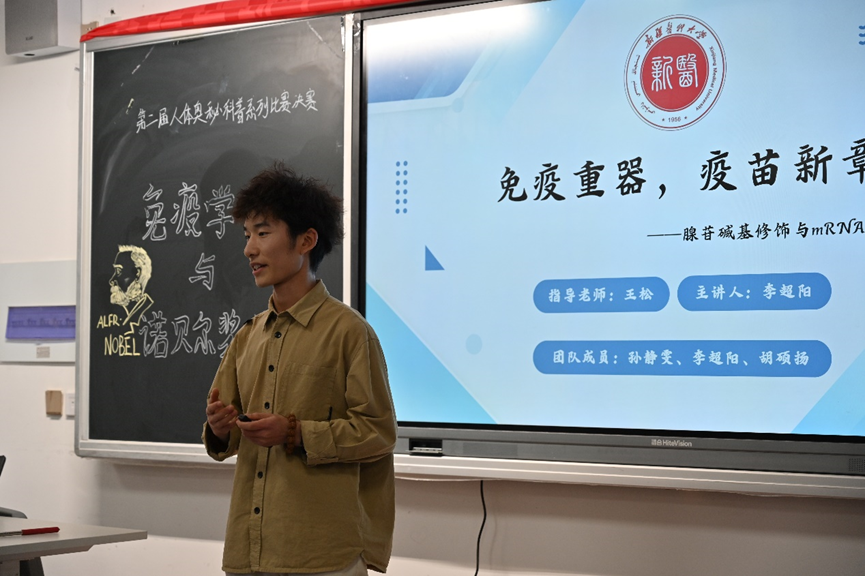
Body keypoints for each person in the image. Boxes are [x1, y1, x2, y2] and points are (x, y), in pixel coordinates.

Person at [203, 163, 396, 576]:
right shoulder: (247, 337)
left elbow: (379, 432)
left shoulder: (349, 332)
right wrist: (220, 428)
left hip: (321, 555)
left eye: (263, 233)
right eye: (247, 235)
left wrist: (295, 433)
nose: (249, 249)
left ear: (306, 240)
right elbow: (228, 436)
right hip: (250, 551)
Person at [109, 244, 154, 332]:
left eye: (118, 271)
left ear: (137, 273)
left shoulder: (149, 312)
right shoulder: (118, 312)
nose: (112, 280)